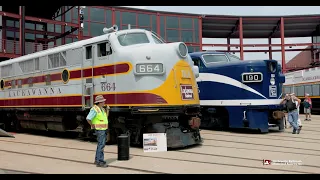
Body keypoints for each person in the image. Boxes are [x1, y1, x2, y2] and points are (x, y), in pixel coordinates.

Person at [86, 95, 110, 168]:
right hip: (100, 130)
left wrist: (108, 110)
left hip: (103, 130)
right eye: (103, 101)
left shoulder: (101, 109)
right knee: (101, 145)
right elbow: (88, 118)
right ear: (99, 102)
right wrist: (92, 125)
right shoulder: (95, 109)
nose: (104, 102)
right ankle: (100, 161)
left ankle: (97, 160)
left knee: (100, 145)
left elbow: (105, 118)